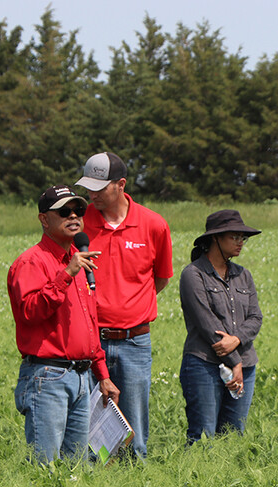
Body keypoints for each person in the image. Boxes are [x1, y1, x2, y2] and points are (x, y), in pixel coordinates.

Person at [7, 185, 121, 462]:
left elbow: (89, 323)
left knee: (77, 467)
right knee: (45, 466)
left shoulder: (79, 263)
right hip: (49, 376)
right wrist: (66, 273)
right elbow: (30, 312)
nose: (74, 217)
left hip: (83, 378)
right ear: (44, 219)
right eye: (64, 211)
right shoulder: (31, 263)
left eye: (78, 211)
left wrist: (102, 374)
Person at [75, 151, 173, 458]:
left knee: (134, 429)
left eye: (99, 188)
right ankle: (95, 482)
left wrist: (130, 307)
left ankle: (135, 484)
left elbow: (161, 278)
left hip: (135, 341)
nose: (91, 195)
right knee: (90, 427)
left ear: (121, 184)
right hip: (91, 341)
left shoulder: (153, 225)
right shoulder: (78, 227)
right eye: (88, 187)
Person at [179, 210, 263, 443]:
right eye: (234, 237)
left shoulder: (243, 275)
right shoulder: (193, 274)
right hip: (204, 365)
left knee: (233, 437)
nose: (240, 243)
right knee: (202, 436)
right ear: (215, 238)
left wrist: (236, 342)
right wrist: (234, 361)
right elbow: (208, 324)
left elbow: (255, 317)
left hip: (245, 367)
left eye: (242, 238)